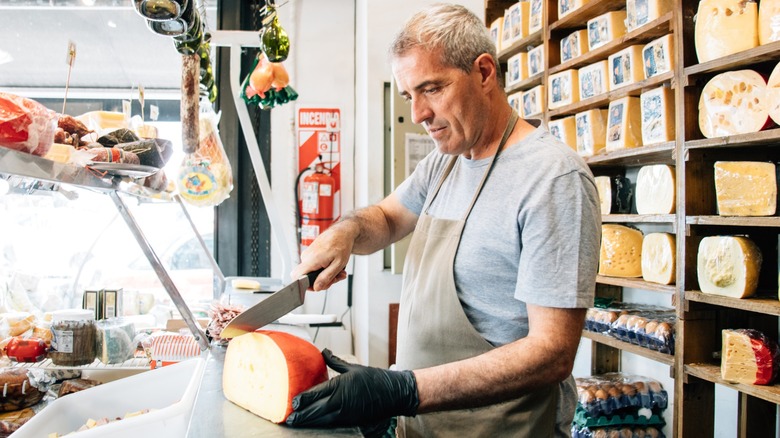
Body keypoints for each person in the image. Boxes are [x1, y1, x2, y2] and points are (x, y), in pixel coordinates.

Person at [286, 3, 601, 437]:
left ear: (485, 73)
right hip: (421, 426)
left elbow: (552, 353)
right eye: (408, 96)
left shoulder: (551, 178)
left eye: (431, 89)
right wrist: (345, 232)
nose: (417, 115)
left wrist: (401, 390)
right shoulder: (445, 162)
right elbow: (385, 218)